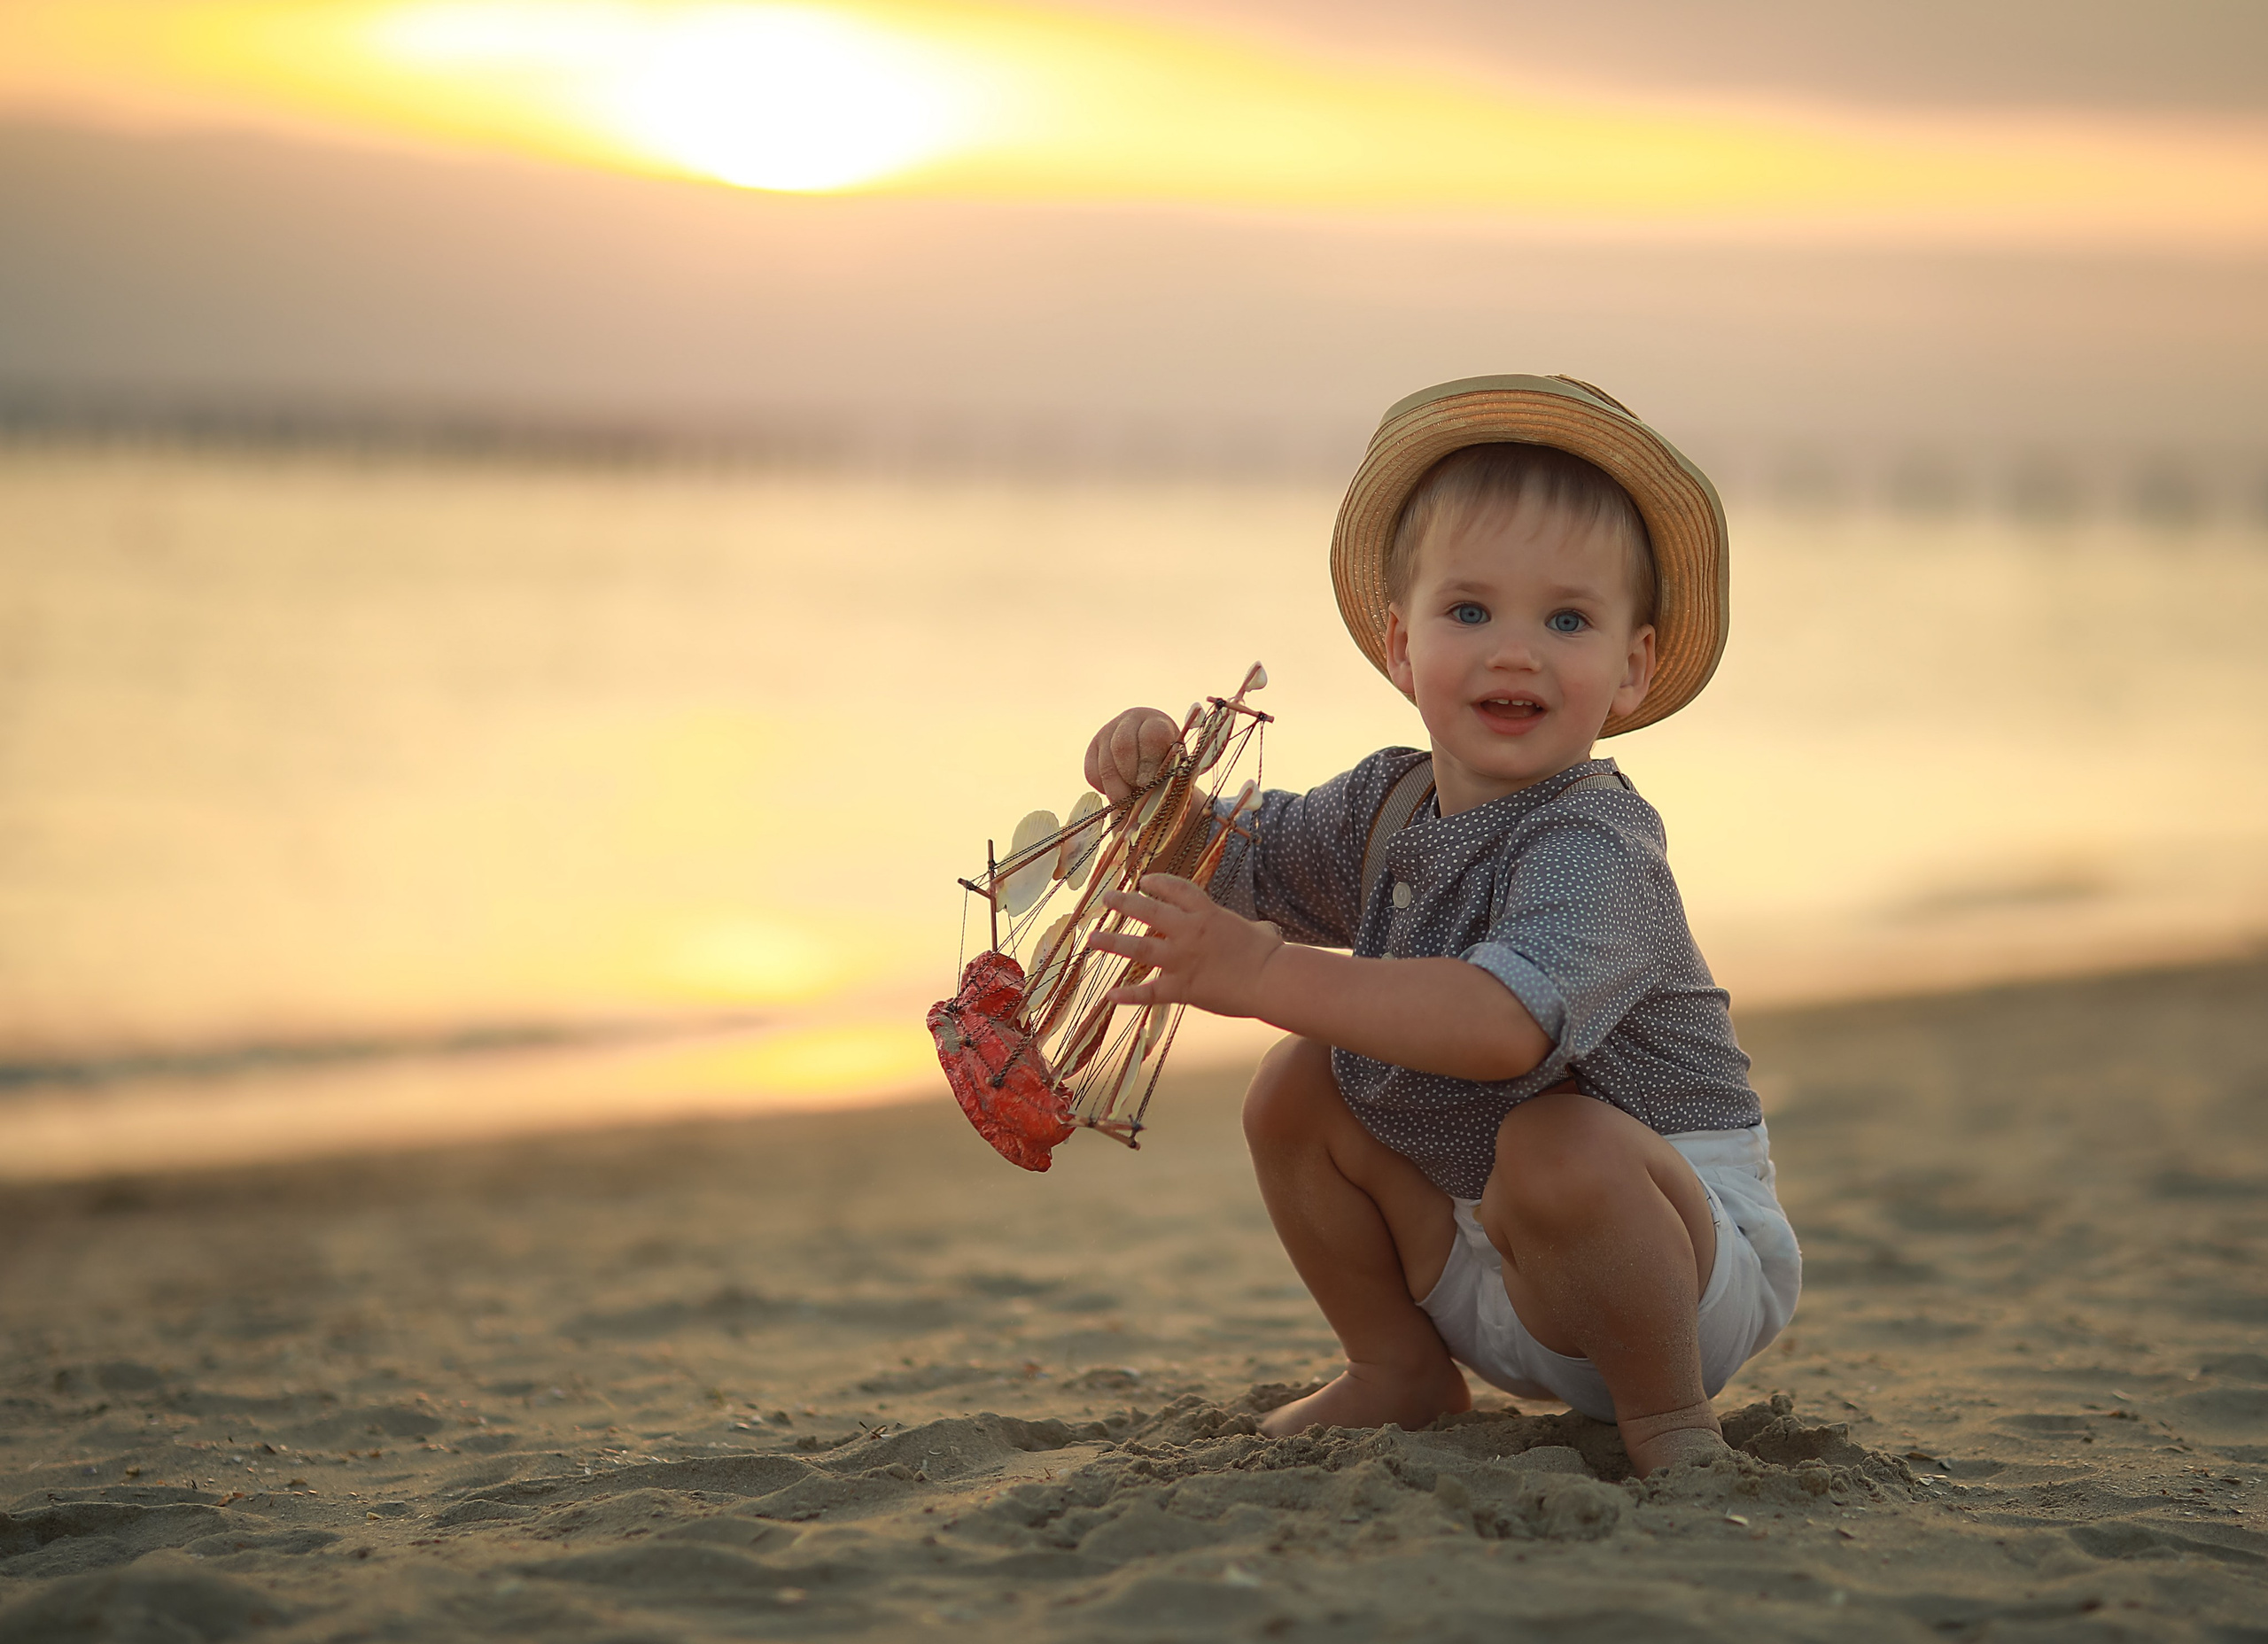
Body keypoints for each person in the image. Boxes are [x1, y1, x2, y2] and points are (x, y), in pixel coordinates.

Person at [1082, 376, 1799, 1476]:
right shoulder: (1385, 807)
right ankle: (1397, 1366)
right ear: (1399, 647)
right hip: (1477, 1251)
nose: (1515, 651)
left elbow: (1501, 1025)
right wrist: (1158, 795)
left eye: (1567, 619)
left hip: (1670, 1269)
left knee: (1553, 1137)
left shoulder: (1596, 845)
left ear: (1632, 667)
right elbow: (1247, 859)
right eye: (1469, 611)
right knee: (1299, 1081)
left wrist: (1261, 970)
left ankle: (1667, 1425)